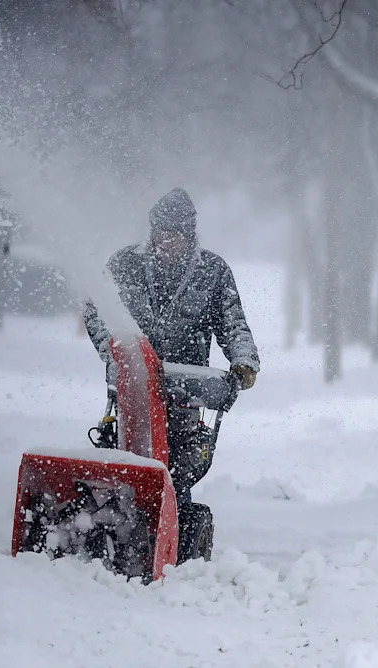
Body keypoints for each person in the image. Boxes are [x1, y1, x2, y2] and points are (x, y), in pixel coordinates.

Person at [84, 187, 260, 504]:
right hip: (133, 382)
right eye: (162, 233)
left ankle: (174, 512)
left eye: (176, 234)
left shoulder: (212, 272)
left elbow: (232, 321)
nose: (168, 241)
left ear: (190, 234)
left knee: (179, 462)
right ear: (152, 231)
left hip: (186, 387)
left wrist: (243, 361)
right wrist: (114, 354)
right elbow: (94, 309)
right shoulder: (124, 265)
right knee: (124, 449)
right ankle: (118, 508)